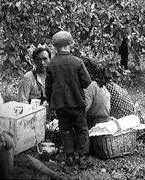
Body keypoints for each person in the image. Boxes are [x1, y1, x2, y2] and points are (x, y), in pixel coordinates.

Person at [45, 30, 92, 169]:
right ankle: (83, 158)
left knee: (65, 130)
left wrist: (51, 101)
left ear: (55, 47)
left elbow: (48, 88)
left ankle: (69, 156)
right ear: (69, 45)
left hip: (60, 105)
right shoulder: (77, 62)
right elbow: (87, 82)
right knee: (82, 129)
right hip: (77, 103)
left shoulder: (51, 64)